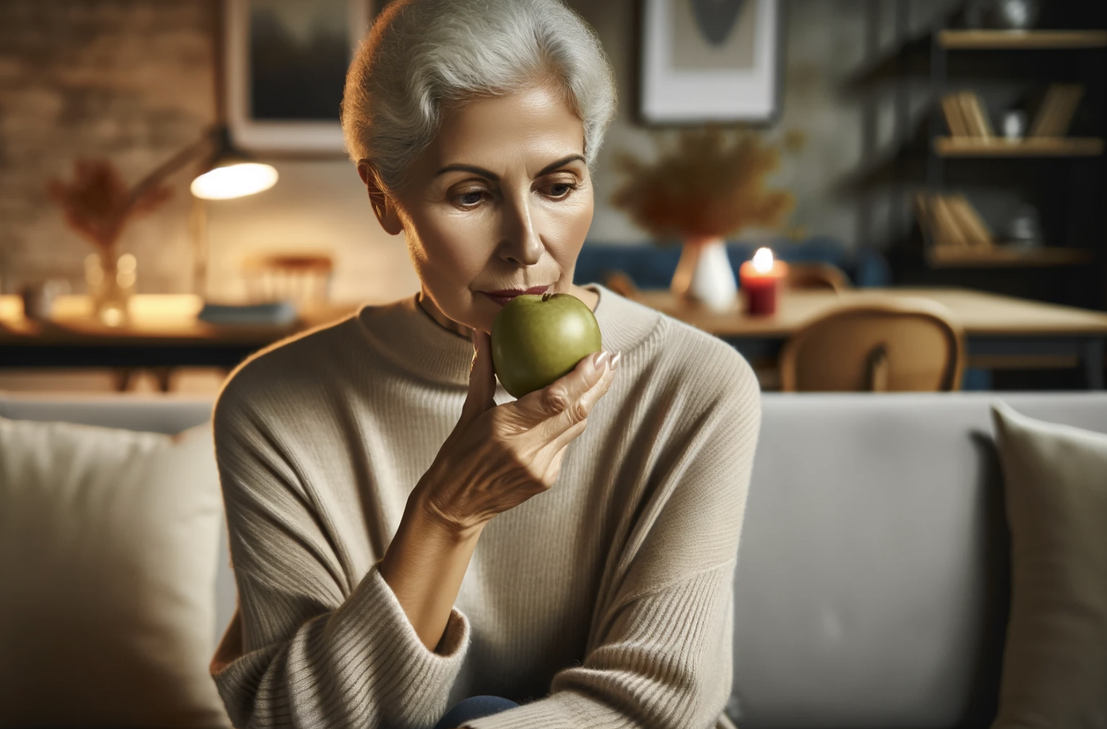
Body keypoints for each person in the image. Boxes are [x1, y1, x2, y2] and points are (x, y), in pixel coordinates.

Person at [207, 0, 761, 727]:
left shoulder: (696, 387)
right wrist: (446, 511)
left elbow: (663, 699)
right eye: (471, 194)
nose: (527, 242)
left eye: (559, 186)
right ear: (383, 197)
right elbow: (293, 717)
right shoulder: (274, 406)